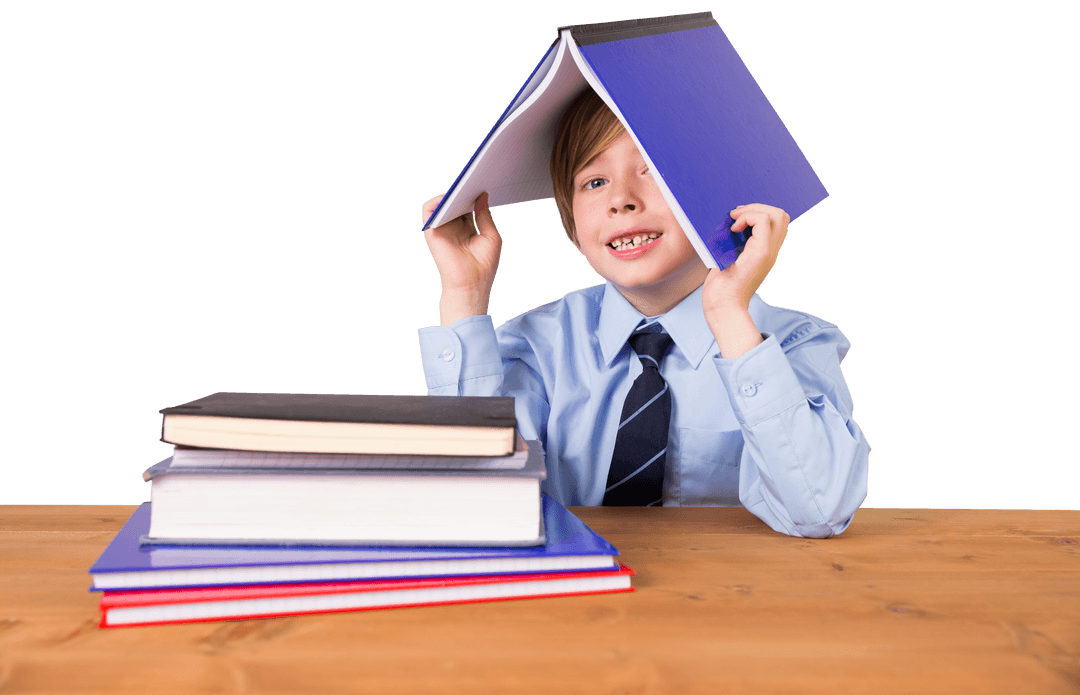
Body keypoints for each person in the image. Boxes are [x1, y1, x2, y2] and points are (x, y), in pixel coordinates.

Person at [418, 89, 869, 537]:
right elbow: (474, 503)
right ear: (571, 223)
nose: (621, 200)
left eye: (652, 170)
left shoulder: (793, 344)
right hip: (575, 602)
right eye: (594, 182)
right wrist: (465, 293)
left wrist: (730, 314)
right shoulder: (537, 345)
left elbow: (819, 512)